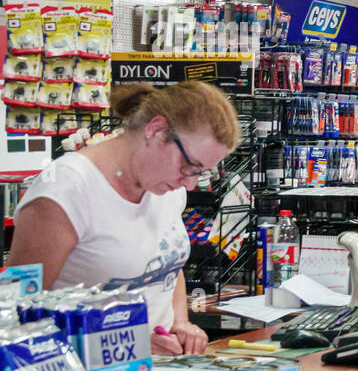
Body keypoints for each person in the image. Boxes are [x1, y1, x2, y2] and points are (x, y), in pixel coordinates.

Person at [9, 81, 240, 356]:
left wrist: (180, 322)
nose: (190, 185)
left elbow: (166, 265)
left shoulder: (164, 185)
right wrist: (126, 340)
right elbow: (18, 316)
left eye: (199, 174)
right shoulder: (64, 191)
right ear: (155, 130)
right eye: (190, 167)